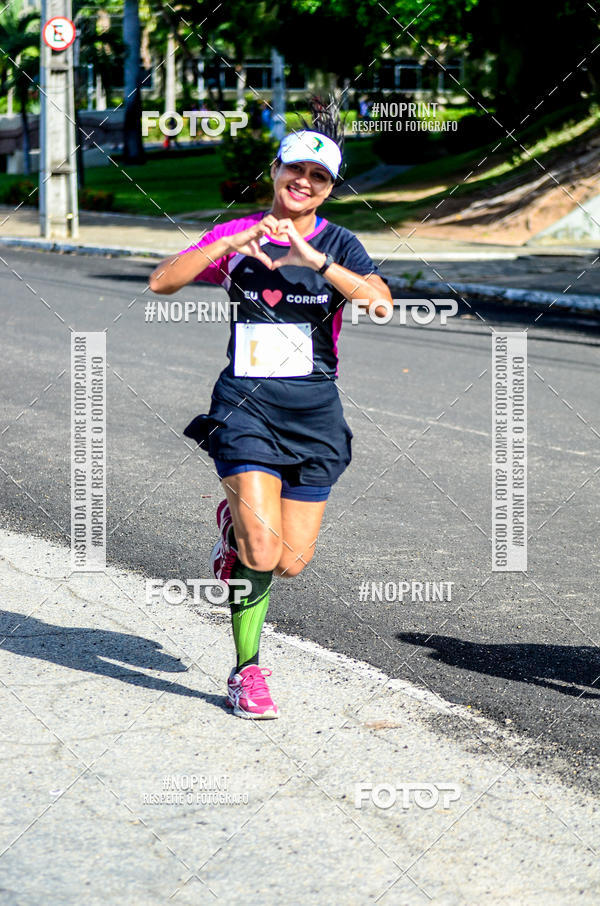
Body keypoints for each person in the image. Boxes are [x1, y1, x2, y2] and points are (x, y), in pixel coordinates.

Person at [149, 98, 392, 720]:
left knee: (289, 562)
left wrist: (318, 262)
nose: (303, 182)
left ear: (329, 188)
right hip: (246, 405)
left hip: (314, 412)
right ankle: (246, 671)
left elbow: (380, 303)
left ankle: (232, 531)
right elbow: (162, 281)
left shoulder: (339, 242)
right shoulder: (238, 235)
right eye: (295, 170)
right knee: (260, 555)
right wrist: (231, 241)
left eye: (319, 177)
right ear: (276, 171)